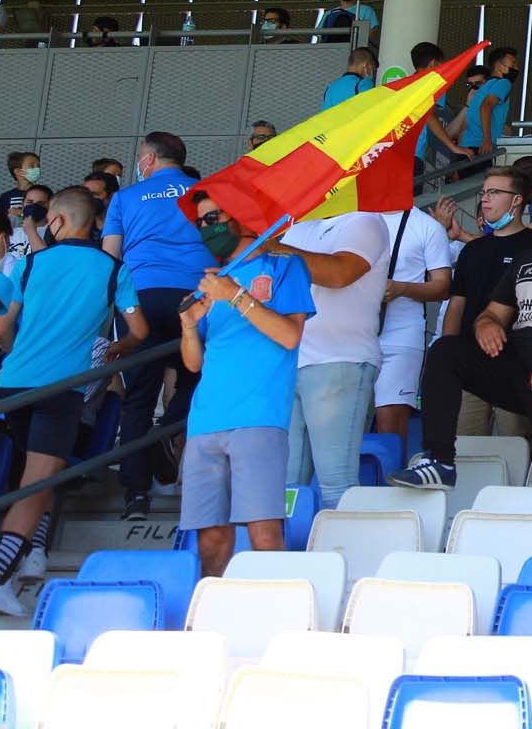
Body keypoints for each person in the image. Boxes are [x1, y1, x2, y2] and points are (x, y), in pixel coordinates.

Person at [392, 167, 532, 494]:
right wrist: (486, 326)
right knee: (446, 350)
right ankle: (439, 461)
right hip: (518, 370)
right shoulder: (531, 255)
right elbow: (493, 313)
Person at [0, 190, 146, 613]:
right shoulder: (113, 268)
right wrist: (122, 348)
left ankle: (15, 567)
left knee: (30, 478)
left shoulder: (29, 263)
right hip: (62, 389)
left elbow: (4, 328)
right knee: (36, 485)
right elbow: (140, 329)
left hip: (12, 384)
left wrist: (17, 355)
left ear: (57, 220)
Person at [177, 193, 315, 577]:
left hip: (259, 416)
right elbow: (193, 363)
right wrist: (188, 326)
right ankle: (211, 620)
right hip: (205, 420)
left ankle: (274, 620)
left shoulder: (284, 266)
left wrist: (236, 296)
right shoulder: (211, 282)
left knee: (264, 533)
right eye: (201, 222)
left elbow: (289, 336)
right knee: (210, 539)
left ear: (238, 215)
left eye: (213, 217)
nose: (207, 228)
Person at [102, 132, 219, 521]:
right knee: (196, 381)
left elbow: (110, 259)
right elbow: (223, 244)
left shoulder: (125, 197)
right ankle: (166, 434)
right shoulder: (205, 190)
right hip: (196, 294)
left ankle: (136, 493)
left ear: (149, 159)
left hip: (141, 297)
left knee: (138, 396)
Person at [275, 212, 391, 507]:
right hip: (291, 360)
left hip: (341, 360)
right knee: (286, 488)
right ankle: (289, 552)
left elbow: (339, 273)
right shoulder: (297, 228)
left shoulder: (366, 221)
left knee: (336, 482)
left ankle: (341, 552)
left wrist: (274, 248)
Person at [442, 169, 532, 438]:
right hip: (470, 365)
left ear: (517, 200)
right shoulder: (472, 250)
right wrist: (449, 355)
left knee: (516, 445)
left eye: (494, 192)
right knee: (464, 447)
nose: (485, 199)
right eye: (484, 192)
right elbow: (456, 304)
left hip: (518, 366)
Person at [375, 202, 453, 440]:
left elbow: (442, 287)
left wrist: (402, 288)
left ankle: (389, 477)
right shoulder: (354, 218)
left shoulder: (427, 226)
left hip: (401, 333)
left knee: (390, 422)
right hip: (351, 333)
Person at [407, 42, 475, 176]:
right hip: (414, 155)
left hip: (399, 152)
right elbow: (429, 116)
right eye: (441, 64)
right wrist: (453, 147)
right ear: (433, 63)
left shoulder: (407, 84)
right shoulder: (429, 86)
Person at [459, 46, 519, 155]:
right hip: (481, 147)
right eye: (513, 63)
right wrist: (487, 139)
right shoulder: (504, 83)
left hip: (466, 147)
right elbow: (486, 106)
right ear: (499, 66)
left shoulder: (484, 87)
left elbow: (466, 122)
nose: (516, 68)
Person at [0, 152, 40, 223]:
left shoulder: (42, 193)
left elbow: (46, 215)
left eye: (38, 166)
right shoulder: (6, 197)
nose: (37, 169)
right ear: (18, 171)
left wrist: (21, 212)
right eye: (32, 166)